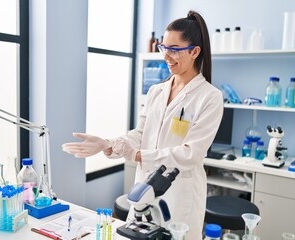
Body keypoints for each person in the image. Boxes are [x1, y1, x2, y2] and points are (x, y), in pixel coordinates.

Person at [62, 10, 223, 240]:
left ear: (195, 51)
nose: (166, 55)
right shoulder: (157, 91)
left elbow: (191, 154)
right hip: (145, 189)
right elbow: (140, 133)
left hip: (180, 195)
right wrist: (110, 143)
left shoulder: (209, 97)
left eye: (174, 49)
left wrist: (137, 155)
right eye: (163, 48)